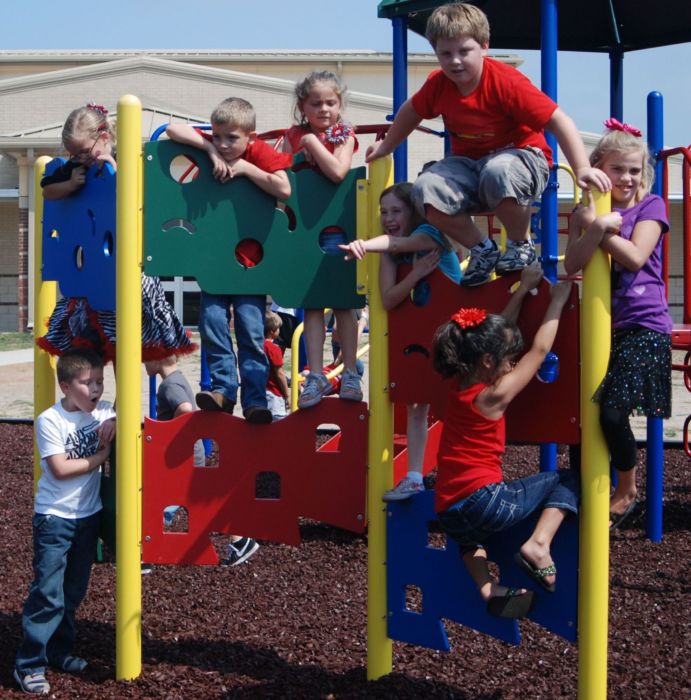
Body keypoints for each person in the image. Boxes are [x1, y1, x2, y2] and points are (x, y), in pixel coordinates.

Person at [365, 3, 611, 287]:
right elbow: (411, 111)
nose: (455, 61)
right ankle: (482, 248)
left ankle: (519, 242)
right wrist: (387, 147)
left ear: (484, 46)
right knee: (425, 189)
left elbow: (559, 121)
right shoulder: (438, 85)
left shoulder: (505, 82)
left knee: (498, 171)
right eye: (446, 54)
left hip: (523, 158)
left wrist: (581, 168)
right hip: (470, 166)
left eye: (464, 51)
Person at [432, 267, 579, 619]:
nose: (513, 363)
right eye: (508, 360)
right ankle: (539, 545)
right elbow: (540, 351)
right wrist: (556, 302)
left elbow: (497, 339)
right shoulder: (494, 395)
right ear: (488, 362)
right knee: (569, 479)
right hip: (486, 501)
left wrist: (523, 289)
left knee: (470, 540)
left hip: (447, 509)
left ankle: (488, 588)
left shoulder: (461, 387)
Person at [564, 119, 672, 530]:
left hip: (645, 325)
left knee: (611, 414)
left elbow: (635, 256)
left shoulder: (652, 206)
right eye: (617, 169)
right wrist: (591, 224)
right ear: (597, 169)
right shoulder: (585, 211)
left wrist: (600, 228)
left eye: (633, 170)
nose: (626, 178)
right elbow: (573, 263)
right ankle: (585, 494)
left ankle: (627, 490)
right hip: (600, 325)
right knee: (585, 417)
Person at [37, 103, 196, 365]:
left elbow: (143, 198)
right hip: (95, 267)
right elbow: (48, 192)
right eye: (74, 154)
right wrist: (69, 184)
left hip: (131, 266)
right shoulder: (75, 168)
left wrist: (116, 172)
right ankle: (121, 402)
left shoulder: (128, 159)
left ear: (105, 137)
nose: (81, 158)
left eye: (85, 151)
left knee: (151, 347)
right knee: (107, 341)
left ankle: (175, 396)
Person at [166, 97, 292, 424]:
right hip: (216, 265)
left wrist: (248, 169)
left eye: (232, 138)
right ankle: (223, 389)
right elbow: (172, 128)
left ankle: (254, 400)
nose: (223, 144)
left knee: (251, 333)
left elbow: (284, 188)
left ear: (251, 135)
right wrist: (208, 149)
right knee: (211, 324)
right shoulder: (215, 146)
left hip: (250, 264)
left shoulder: (258, 152)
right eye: (217, 136)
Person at [340, 182, 462, 500]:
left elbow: (397, 243)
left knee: (455, 402)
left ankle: (461, 473)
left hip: (454, 330)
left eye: (396, 210)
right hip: (420, 335)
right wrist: (415, 274)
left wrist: (366, 245)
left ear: (413, 211)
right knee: (415, 404)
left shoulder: (429, 235)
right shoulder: (391, 255)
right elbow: (389, 298)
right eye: (383, 212)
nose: (389, 217)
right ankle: (414, 476)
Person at [14, 349, 115, 695]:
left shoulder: (102, 412)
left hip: (88, 518)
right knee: (47, 593)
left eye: (100, 381)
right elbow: (60, 468)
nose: (97, 389)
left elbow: (119, 417)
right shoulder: (50, 420)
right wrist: (101, 456)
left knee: (72, 593)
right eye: (88, 383)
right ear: (66, 386)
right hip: (55, 518)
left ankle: (58, 652)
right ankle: (29, 664)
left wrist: (114, 422)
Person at [282, 71, 363, 409]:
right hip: (304, 226)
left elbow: (338, 172)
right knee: (312, 303)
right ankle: (315, 374)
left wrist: (312, 144)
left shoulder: (344, 134)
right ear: (303, 106)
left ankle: (349, 373)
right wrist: (299, 150)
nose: (324, 109)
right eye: (316, 103)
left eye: (331, 102)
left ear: (340, 104)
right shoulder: (293, 134)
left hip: (336, 227)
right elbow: (284, 171)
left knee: (343, 301)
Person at [145, 356, 260, 564]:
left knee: (158, 499)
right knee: (183, 501)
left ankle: (148, 550)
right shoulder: (176, 379)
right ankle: (240, 541)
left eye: (146, 358)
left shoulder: (169, 386)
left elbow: (185, 410)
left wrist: (171, 440)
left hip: (183, 458)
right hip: (188, 456)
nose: (144, 362)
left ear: (157, 359)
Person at [263, 311, 290, 421]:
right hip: (275, 393)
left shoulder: (257, 346)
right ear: (272, 332)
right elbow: (279, 373)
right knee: (279, 423)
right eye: (279, 329)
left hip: (260, 390)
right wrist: (287, 394)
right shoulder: (274, 349)